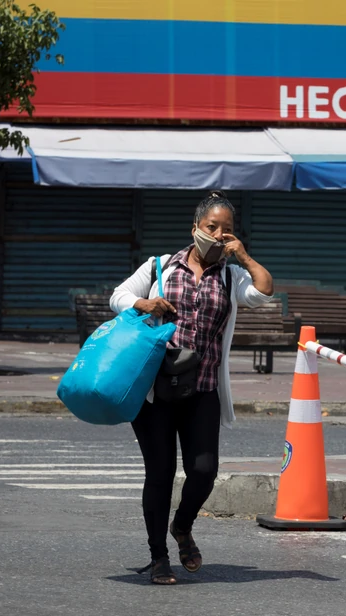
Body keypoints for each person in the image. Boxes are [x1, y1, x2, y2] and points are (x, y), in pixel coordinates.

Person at [109, 191, 274, 584]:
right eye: (211, 227)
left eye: (227, 230)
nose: (218, 235)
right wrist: (143, 305)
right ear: (195, 228)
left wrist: (244, 257)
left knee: (204, 471)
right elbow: (118, 295)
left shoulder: (232, 277)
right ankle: (159, 557)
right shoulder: (160, 266)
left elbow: (265, 291)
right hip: (157, 390)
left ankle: (181, 526)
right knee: (160, 473)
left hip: (202, 389)